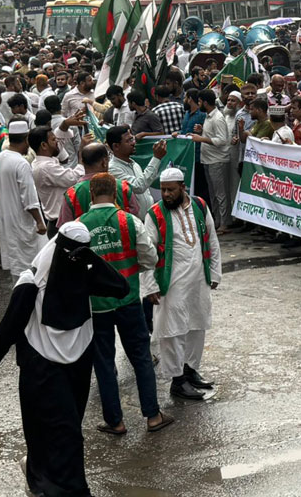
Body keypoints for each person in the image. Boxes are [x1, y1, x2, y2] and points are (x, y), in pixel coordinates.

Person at [0, 222, 129, 496]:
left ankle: (36, 477)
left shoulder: (82, 272)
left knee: (59, 431)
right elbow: (5, 333)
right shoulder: (31, 283)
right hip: (41, 367)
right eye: (69, 252)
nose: (73, 259)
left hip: (78, 364)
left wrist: (89, 258)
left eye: (79, 254)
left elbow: (120, 287)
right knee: (66, 433)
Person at [81, 173, 173, 436]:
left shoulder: (79, 226)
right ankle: (153, 415)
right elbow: (150, 257)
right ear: (115, 193)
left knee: (104, 363)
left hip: (96, 306)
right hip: (129, 300)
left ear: (91, 194)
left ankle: (115, 421)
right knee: (141, 359)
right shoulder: (130, 221)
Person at [141, 168, 222, 401]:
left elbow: (212, 239)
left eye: (171, 190)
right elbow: (146, 254)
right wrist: (149, 287)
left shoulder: (199, 205)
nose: (165, 194)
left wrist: (215, 272)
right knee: (172, 331)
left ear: (183, 188)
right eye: (163, 190)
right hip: (171, 282)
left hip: (198, 279)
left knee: (197, 325)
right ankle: (177, 381)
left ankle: (190, 370)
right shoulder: (154, 214)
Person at [0, 120, 48, 278]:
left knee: (17, 267)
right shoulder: (21, 163)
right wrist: (39, 221)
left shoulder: (0, 157)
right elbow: (29, 198)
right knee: (30, 268)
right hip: (22, 222)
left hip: (7, 221)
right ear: (26, 139)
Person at [187, 89, 232, 232]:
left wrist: (201, 138)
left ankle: (225, 223)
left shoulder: (218, 118)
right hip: (208, 159)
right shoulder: (209, 116)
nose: (198, 104)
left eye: (199, 101)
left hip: (217, 161)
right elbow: (213, 135)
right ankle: (218, 221)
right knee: (213, 194)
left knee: (220, 194)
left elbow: (222, 140)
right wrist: (201, 131)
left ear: (205, 103)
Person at [30, 126, 85, 237]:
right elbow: (74, 178)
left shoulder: (45, 162)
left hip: (60, 221)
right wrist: (82, 153)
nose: (57, 143)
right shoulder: (45, 167)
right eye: (54, 140)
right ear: (44, 145)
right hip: (59, 224)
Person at [107, 126, 167, 218]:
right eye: (128, 141)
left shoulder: (134, 164)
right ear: (116, 146)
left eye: (133, 139)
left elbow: (145, 189)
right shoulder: (113, 169)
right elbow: (139, 186)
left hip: (147, 219)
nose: (133, 143)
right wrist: (156, 158)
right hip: (134, 224)